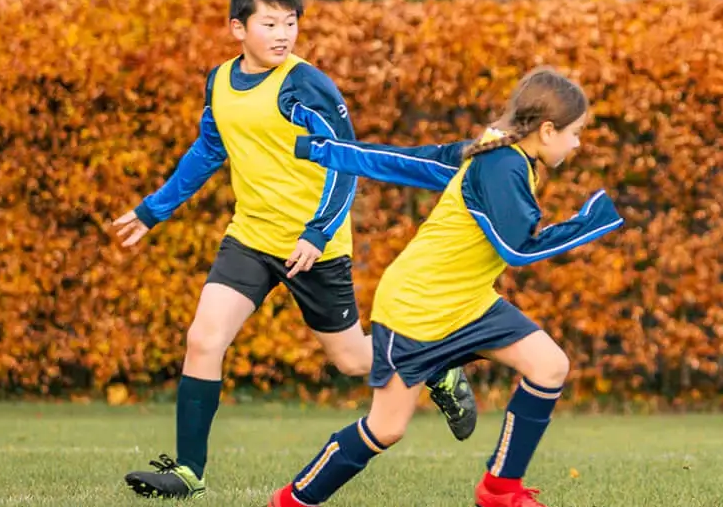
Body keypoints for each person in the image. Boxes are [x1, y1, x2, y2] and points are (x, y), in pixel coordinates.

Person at [109, 0, 474, 500]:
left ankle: (437, 364)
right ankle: (188, 473)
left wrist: (317, 233)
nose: (283, 34)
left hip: (315, 247)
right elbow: (209, 149)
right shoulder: (220, 82)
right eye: (270, 23)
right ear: (238, 29)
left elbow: (345, 165)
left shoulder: (305, 86)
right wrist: (152, 210)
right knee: (203, 340)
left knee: (351, 360)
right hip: (252, 239)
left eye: (291, 23)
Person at [267, 67, 625, 507]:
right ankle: (291, 500)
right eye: (575, 133)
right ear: (547, 130)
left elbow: (413, 161)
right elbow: (519, 250)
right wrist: (592, 222)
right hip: (416, 308)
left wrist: (330, 151)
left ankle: (499, 490)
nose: (578, 143)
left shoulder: (502, 150)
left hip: (469, 304)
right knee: (386, 428)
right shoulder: (501, 165)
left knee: (549, 366)